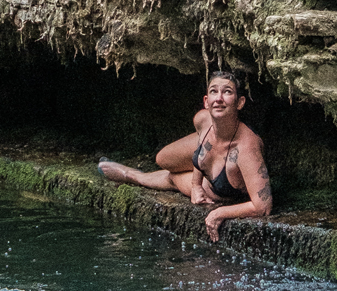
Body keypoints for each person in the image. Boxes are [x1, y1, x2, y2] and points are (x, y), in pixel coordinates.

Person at [97, 67, 272, 242]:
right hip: (207, 169)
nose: (219, 98)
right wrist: (195, 185)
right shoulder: (203, 120)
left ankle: (131, 175)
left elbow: (263, 207)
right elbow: (201, 148)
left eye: (227, 92)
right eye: (214, 91)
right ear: (206, 101)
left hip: (217, 189)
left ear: (240, 103)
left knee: (172, 178)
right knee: (162, 159)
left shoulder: (246, 147)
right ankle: (138, 174)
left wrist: (219, 213)